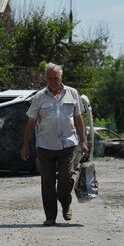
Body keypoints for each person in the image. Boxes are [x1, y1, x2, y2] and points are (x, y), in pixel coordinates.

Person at [20, 63, 89, 226]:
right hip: (45, 146)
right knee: (47, 182)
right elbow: (31, 122)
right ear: (46, 78)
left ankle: (66, 204)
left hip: (68, 145)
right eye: (49, 78)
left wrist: (83, 141)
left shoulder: (72, 93)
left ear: (61, 77)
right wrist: (25, 145)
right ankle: (50, 217)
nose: (52, 81)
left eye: (55, 78)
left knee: (65, 180)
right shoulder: (39, 97)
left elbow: (79, 119)